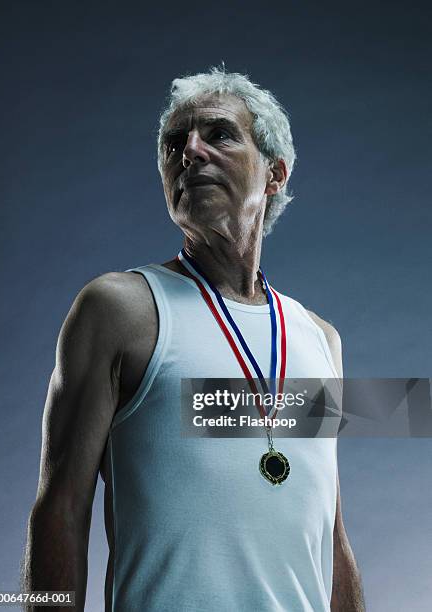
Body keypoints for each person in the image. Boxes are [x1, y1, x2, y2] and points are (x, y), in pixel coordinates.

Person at [23, 66, 365, 611]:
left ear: (274, 173)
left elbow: (332, 536)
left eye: (219, 134)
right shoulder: (120, 309)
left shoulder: (321, 340)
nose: (190, 152)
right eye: (173, 144)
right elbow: (60, 510)